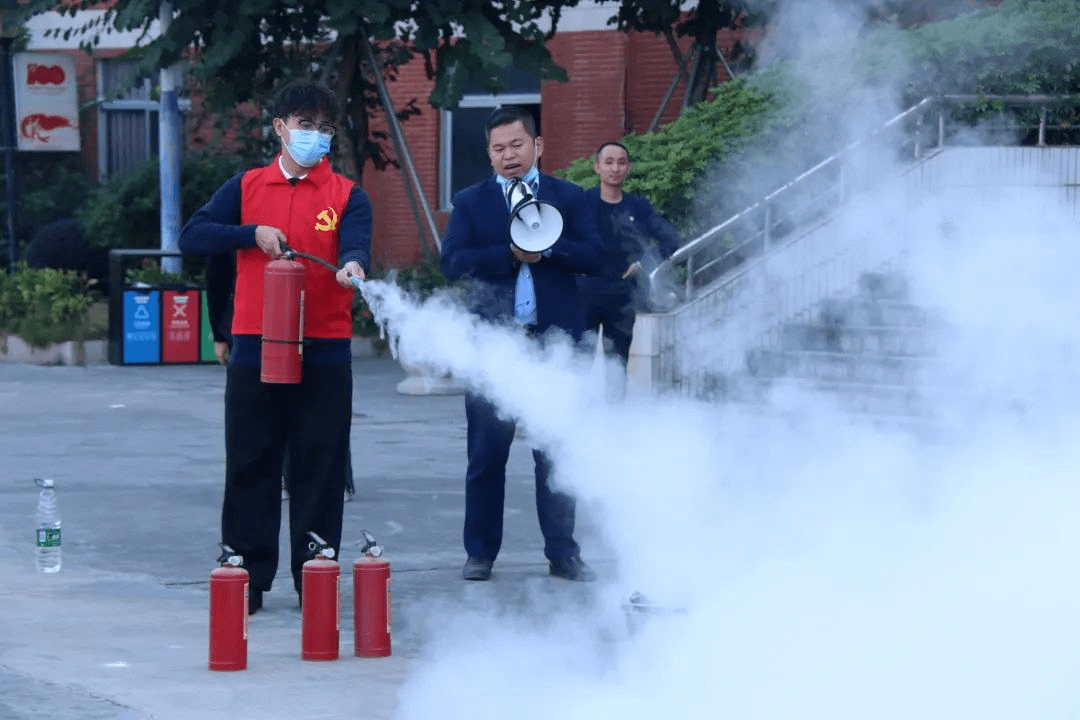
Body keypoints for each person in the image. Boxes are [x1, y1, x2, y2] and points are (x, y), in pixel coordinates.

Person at [179, 78, 372, 614]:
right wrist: (250, 233)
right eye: (305, 125)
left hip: (324, 349)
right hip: (256, 345)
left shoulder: (346, 195)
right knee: (251, 461)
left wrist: (354, 265)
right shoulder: (246, 187)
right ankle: (247, 577)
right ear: (280, 128)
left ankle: (316, 577)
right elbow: (193, 235)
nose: (316, 136)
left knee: (320, 465)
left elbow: (357, 245)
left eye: (325, 128)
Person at [441, 105, 603, 582]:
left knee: (555, 453)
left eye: (516, 145)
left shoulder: (569, 197)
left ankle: (563, 552)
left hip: (555, 347)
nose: (508, 155)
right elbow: (452, 262)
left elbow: (595, 256)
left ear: (538, 145)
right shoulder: (470, 202)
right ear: (489, 154)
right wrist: (509, 255)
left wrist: (548, 249)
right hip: (494, 349)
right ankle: (480, 553)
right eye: (498, 149)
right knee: (486, 455)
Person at [579, 141, 681, 372]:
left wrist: (645, 264)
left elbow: (670, 238)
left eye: (621, 163)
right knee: (579, 363)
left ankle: (616, 398)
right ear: (597, 167)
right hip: (585, 292)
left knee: (618, 364)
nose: (615, 168)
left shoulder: (638, 206)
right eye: (609, 162)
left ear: (628, 168)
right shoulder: (582, 203)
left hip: (624, 295)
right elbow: (561, 241)